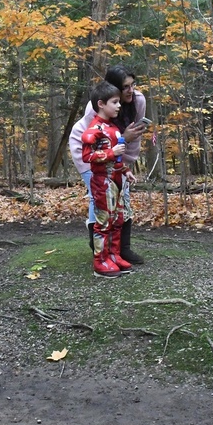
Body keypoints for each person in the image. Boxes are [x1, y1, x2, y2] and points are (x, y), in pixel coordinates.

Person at [70, 65, 148, 264]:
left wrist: (124, 166)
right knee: (100, 197)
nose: (131, 90)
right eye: (125, 87)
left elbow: (135, 136)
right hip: (89, 151)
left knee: (123, 198)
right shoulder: (96, 106)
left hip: (117, 154)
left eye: (133, 84)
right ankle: (98, 249)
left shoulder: (138, 100)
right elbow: (95, 141)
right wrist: (123, 138)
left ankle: (122, 249)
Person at [81, 81, 135, 277]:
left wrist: (125, 170)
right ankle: (99, 261)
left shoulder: (113, 128)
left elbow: (118, 159)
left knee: (117, 219)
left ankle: (113, 255)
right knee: (104, 221)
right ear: (101, 103)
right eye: (115, 102)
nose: (119, 105)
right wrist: (111, 153)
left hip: (117, 180)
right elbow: (87, 157)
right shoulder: (94, 130)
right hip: (102, 182)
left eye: (119, 102)